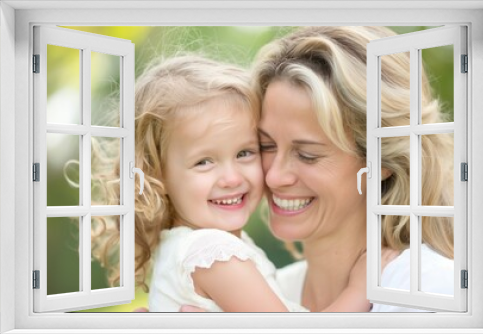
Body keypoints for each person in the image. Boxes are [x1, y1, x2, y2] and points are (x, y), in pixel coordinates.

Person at [181, 26, 454, 313]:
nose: (274, 176)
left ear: (381, 162)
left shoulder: (425, 291)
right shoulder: (269, 291)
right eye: (266, 145)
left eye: (307, 155)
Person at [93, 54, 374, 312]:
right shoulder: (213, 254)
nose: (231, 178)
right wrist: (358, 291)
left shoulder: (191, 246)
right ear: (158, 175)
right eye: (204, 162)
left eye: (245, 153)